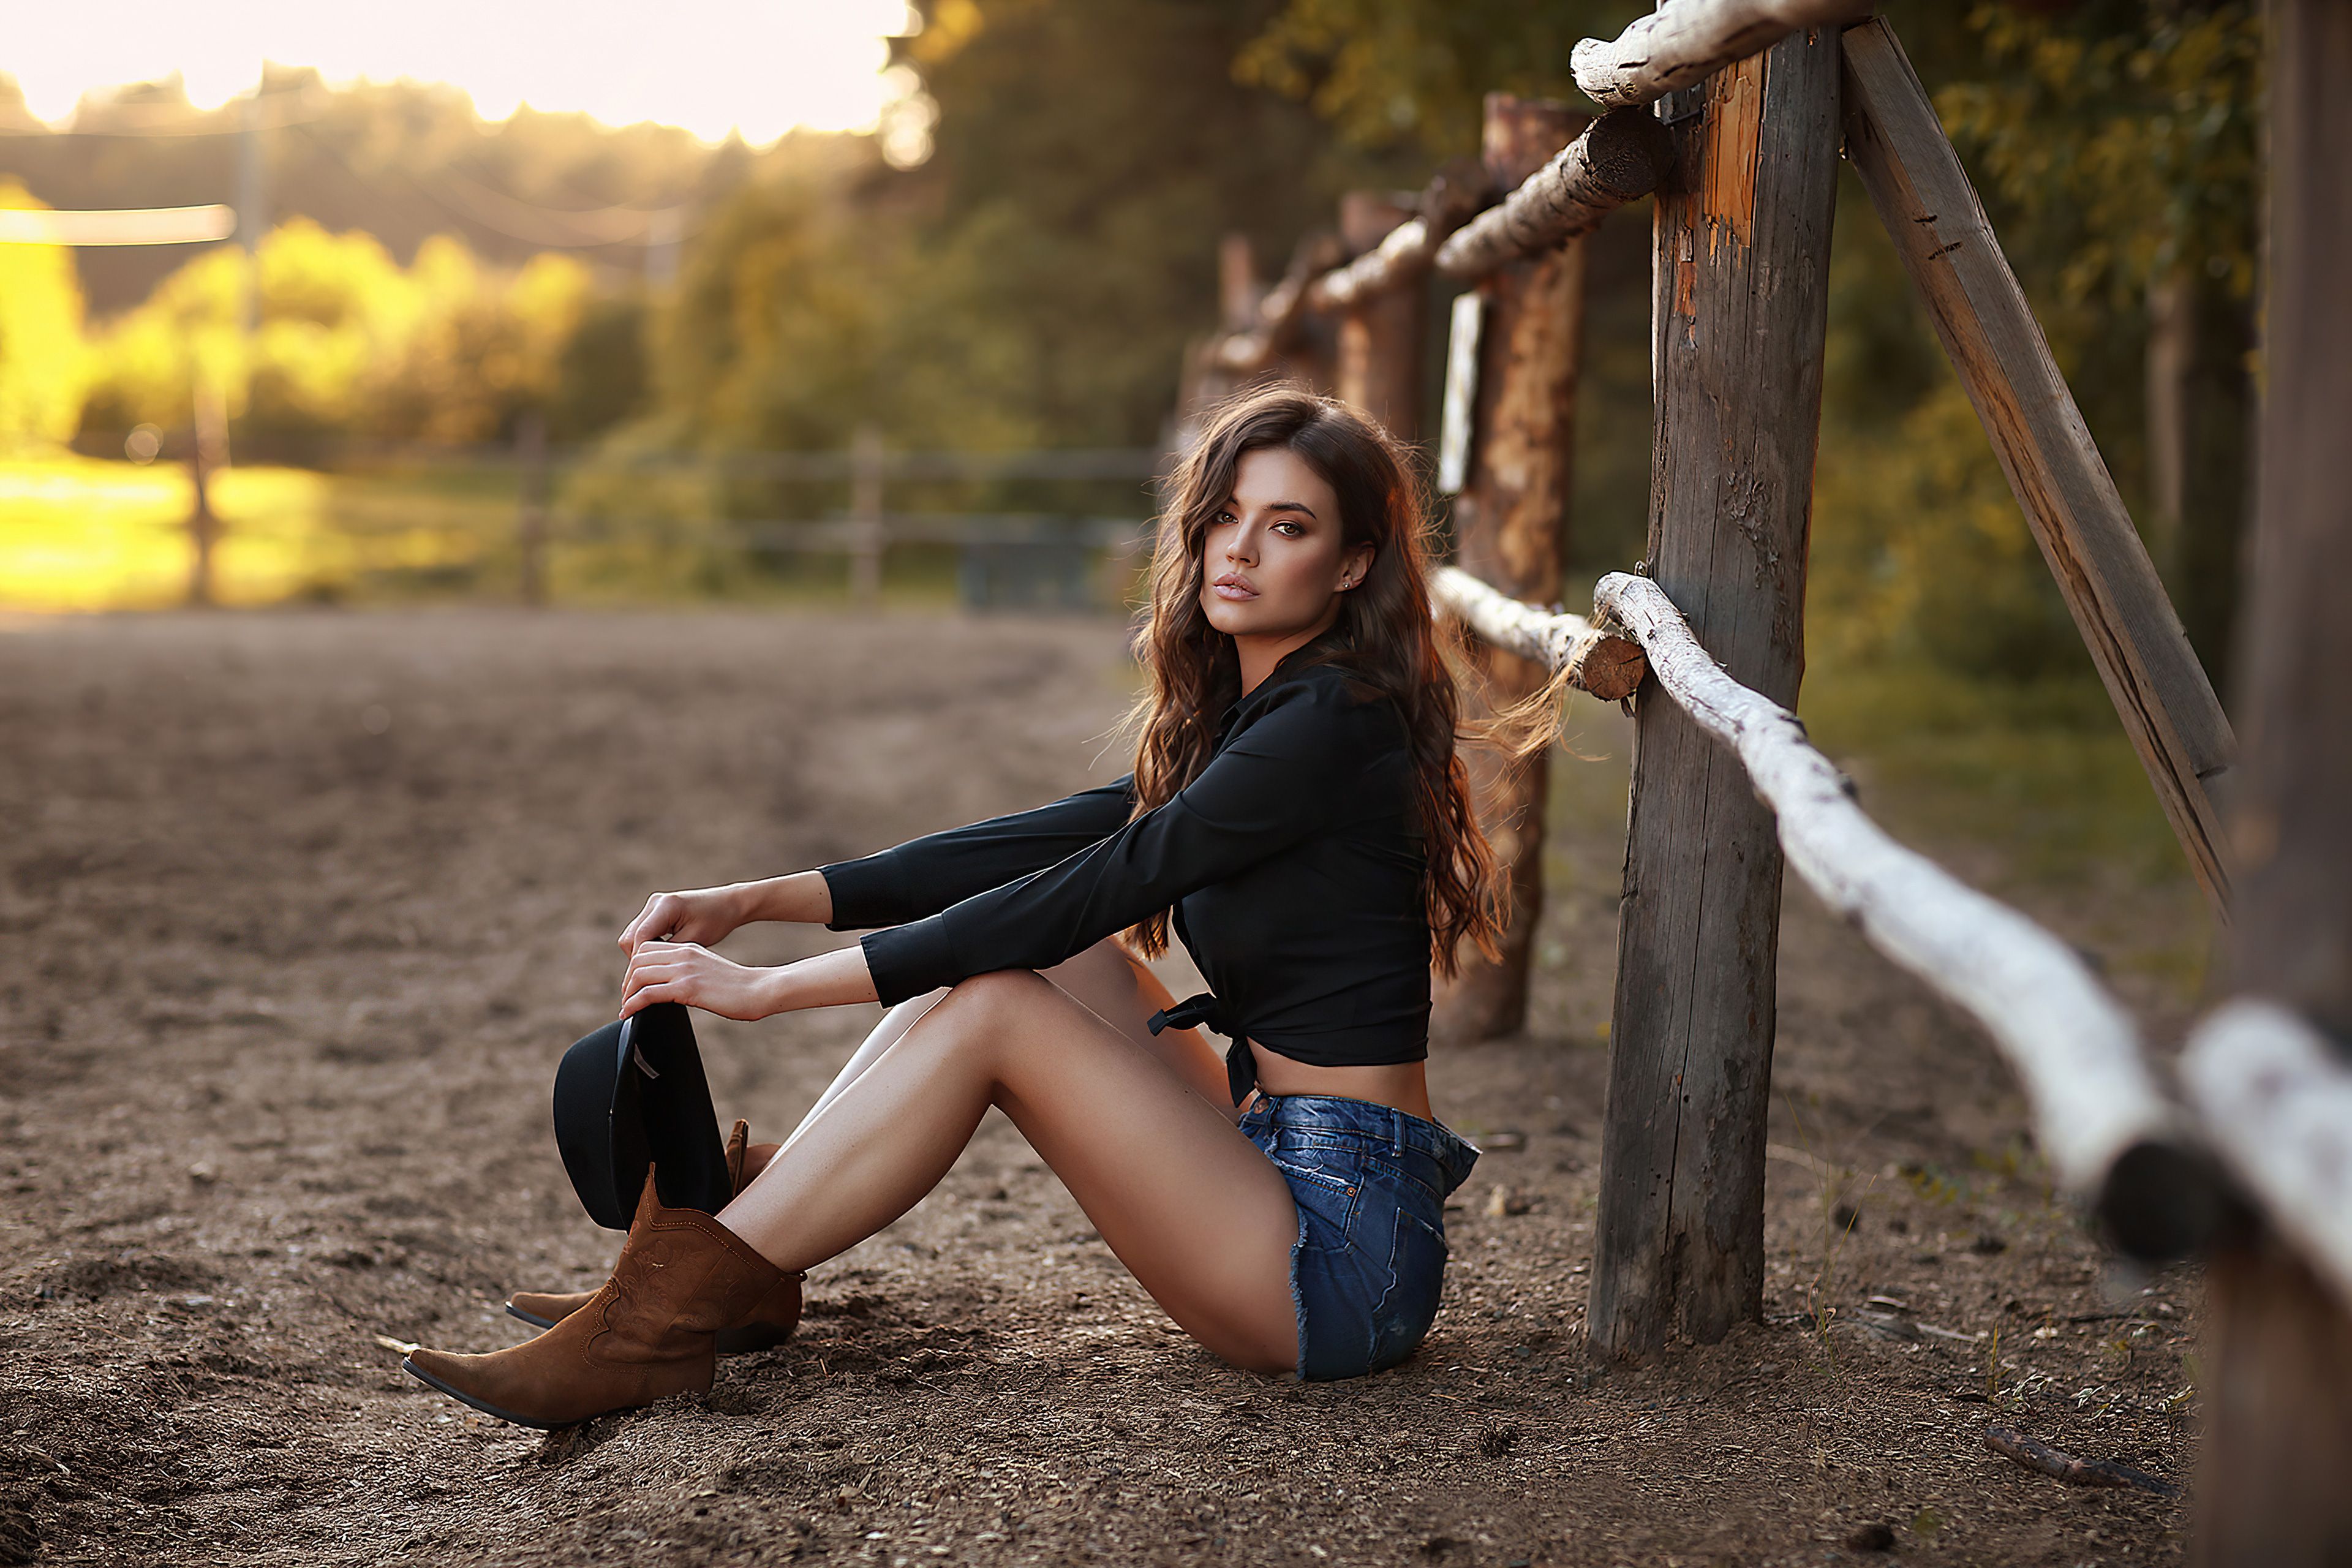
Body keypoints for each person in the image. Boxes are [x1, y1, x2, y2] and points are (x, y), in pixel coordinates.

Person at [402, 384, 1550, 1429]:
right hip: (1278, 1155)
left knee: (1004, 994)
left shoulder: (1329, 724)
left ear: (1353, 566)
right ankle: (731, 1267)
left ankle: (661, 1322)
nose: (1237, 549)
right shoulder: (1257, 720)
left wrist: (774, 992)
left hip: (1342, 1258)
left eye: (1288, 526)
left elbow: (1089, 888)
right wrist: (761, 899)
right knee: (1039, 964)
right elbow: (1030, 845)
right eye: (1225, 516)